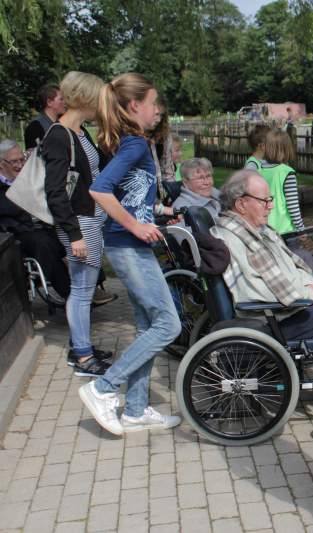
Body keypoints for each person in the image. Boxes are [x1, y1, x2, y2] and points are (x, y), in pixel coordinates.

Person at [83, 73, 182, 436]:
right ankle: (103, 388)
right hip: (128, 246)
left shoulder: (131, 142)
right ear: (135, 105)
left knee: (146, 326)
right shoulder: (136, 144)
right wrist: (135, 226)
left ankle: (136, 411)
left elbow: (130, 197)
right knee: (168, 325)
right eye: (154, 102)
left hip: (130, 243)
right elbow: (100, 191)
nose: (158, 110)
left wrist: (158, 212)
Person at [42, 71, 114, 377]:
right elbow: (55, 191)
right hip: (79, 223)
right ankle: (83, 357)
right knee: (83, 290)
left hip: (90, 219)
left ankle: (80, 345)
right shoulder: (59, 136)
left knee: (82, 288)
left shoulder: (80, 132)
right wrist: (73, 234)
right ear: (86, 98)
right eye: (99, 97)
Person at [211, 170, 313, 341]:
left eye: (270, 200)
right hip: (276, 321)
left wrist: (311, 285)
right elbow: (266, 292)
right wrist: (309, 294)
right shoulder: (238, 239)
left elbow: (293, 264)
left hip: (291, 307)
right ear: (241, 205)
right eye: (265, 201)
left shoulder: (257, 230)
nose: (270, 206)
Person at [0, 139, 71, 301]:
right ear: (1, 164)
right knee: (43, 243)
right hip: (16, 232)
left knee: (70, 235)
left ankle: (92, 285)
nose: (20, 165)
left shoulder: (26, 179)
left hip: (38, 227)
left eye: (22, 159)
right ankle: (70, 293)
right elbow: (9, 209)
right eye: (14, 161)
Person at [245, 128, 304, 234]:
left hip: (264, 229)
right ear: (286, 149)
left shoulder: (259, 170)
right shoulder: (287, 173)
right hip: (284, 231)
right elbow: (293, 206)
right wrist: (300, 228)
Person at [24, 84, 66, 151]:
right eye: (61, 99)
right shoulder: (34, 127)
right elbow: (34, 157)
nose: (65, 102)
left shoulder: (65, 122)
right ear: (49, 102)